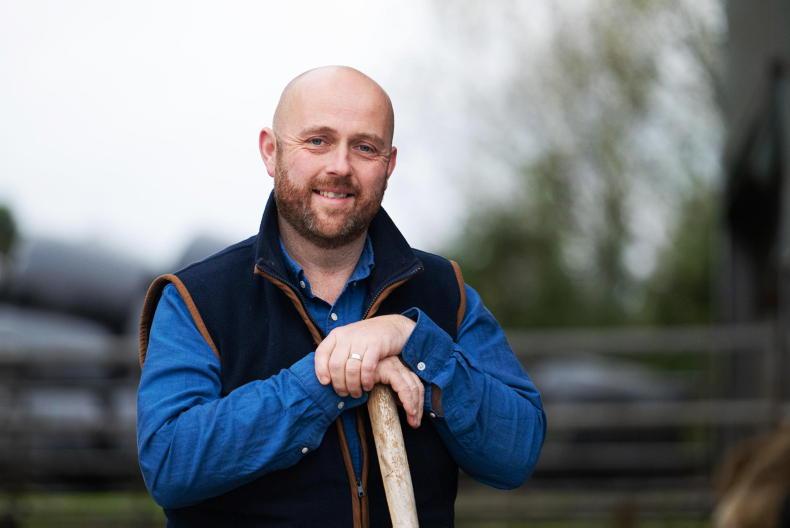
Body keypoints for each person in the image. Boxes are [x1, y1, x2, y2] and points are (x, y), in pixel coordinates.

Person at [136, 65, 546, 527]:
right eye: (317, 141)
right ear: (271, 152)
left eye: (364, 147)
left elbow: (518, 453)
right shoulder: (195, 299)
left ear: (388, 165)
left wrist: (412, 339)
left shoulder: (445, 291)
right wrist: (326, 380)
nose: (340, 166)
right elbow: (169, 462)